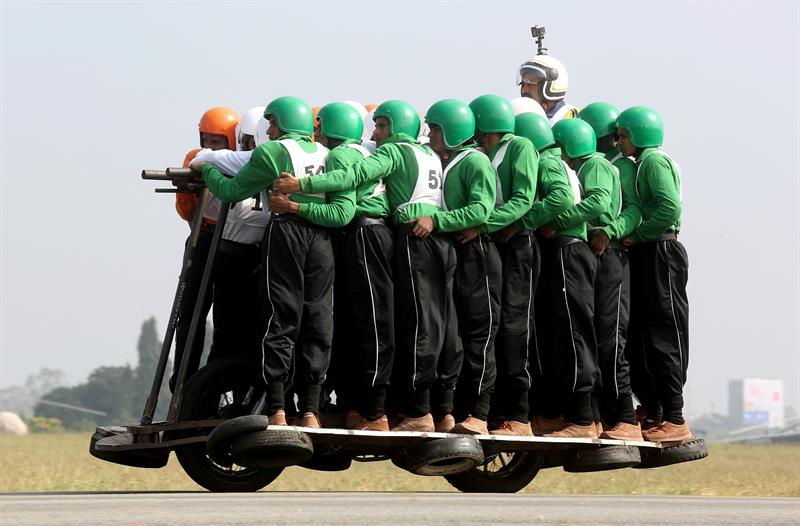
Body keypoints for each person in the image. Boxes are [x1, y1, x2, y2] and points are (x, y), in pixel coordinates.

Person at [272, 100, 453, 433]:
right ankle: (382, 407)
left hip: (378, 235)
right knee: (403, 322)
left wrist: (301, 186)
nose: (376, 134)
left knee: (376, 321)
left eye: (381, 126)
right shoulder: (427, 153)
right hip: (410, 238)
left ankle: (378, 412)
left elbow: (353, 177)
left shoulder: (388, 151)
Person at [194, 96, 356, 429]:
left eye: (271, 123)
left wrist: (206, 168)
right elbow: (341, 213)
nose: (268, 131)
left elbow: (230, 191)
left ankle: (277, 408)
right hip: (322, 242)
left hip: (285, 237)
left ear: (283, 124)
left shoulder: (273, 152)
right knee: (318, 321)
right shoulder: (328, 155)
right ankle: (310, 409)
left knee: (280, 319)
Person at [413, 99, 497, 435]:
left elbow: (480, 210)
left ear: (453, 130)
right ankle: (453, 409)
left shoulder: (475, 161)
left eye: (436, 128)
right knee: (454, 333)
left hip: (477, 253)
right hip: (454, 253)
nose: (431, 134)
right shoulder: (446, 161)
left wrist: (437, 220)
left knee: (480, 333)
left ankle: (480, 411)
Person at [314, 102, 394, 432]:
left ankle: (373, 412)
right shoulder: (366, 151)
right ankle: (357, 407)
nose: (316, 133)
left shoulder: (340, 156)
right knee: (362, 320)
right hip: (376, 234)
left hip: (363, 233)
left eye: (320, 126)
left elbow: (343, 212)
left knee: (368, 321)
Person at [616, 106, 693, 443]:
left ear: (639, 134)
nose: (619, 142)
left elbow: (668, 207)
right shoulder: (641, 163)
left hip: (662, 250)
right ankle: (655, 411)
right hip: (648, 251)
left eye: (623, 136)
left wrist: (638, 234)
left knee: (664, 332)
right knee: (644, 335)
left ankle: (675, 418)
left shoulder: (654, 163)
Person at [468, 94, 538, 436]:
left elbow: (523, 198)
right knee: (490, 325)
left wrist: (483, 223)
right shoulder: (481, 153)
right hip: (494, 242)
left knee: (515, 325)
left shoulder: (519, 147)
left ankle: (519, 415)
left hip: (517, 243)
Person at [513, 112, 586, 436]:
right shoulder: (556, 161)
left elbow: (560, 197)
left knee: (568, 332)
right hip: (562, 249)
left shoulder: (546, 162)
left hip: (565, 249)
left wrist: (529, 221)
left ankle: (579, 418)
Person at [578, 102, 643, 439]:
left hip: (610, 254)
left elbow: (634, 211)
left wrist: (610, 230)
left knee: (610, 337)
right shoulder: (587, 163)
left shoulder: (621, 167)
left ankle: (625, 418)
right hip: (587, 254)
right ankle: (597, 416)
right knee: (588, 336)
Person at [170, 106, 239, 391]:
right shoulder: (194, 159)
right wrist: (185, 188)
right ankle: (183, 381)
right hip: (202, 235)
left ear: (231, 142)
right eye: (206, 140)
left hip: (230, 242)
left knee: (226, 316)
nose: (210, 147)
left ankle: (213, 383)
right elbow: (186, 210)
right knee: (188, 313)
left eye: (217, 142)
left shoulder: (239, 161)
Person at [516, 55, 578, 124]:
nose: (524, 89)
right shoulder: (519, 117)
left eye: (531, 81)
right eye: (523, 82)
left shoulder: (570, 118)